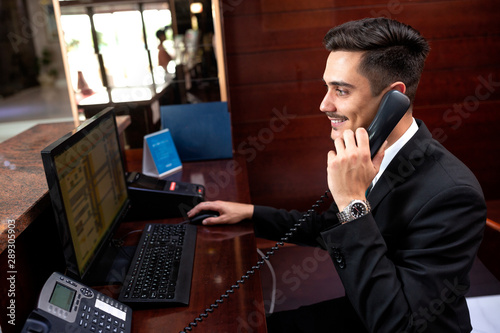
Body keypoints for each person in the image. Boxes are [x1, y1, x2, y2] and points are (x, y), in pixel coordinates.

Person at [187, 17, 486, 332]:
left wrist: (352, 201)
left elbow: (400, 324)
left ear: (393, 99)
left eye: (340, 90)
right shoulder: (365, 156)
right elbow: (330, 225)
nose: (323, 104)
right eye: (326, 87)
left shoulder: (453, 194)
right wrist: (250, 214)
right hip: (363, 307)